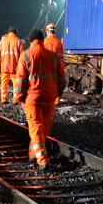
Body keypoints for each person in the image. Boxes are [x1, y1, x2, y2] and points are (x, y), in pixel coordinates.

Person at [13, 29, 65, 172]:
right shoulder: (54, 57)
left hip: (32, 99)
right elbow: (62, 79)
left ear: (31, 41)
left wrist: (18, 97)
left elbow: (20, 81)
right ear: (42, 40)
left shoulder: (26, 55)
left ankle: (42, 160)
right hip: (49, 99)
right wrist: (57, 93)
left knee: (35, 129)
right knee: (44, 130)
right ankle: (33, 155)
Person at [0, 26, 23, 104]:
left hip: (4, 67)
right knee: (16, 84)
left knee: (4, 83)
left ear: (8, 33)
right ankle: (16, 99)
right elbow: (22, 56)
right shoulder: (18, 41)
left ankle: (4, 99)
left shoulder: (2, 41)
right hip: (15, 68)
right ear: (15, 33)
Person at [43, 22, 65, 106]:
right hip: (57, 66)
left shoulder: (44, 42)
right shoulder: (58, 43)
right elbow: (62, 56)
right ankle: (56, 100)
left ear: (47, 31)